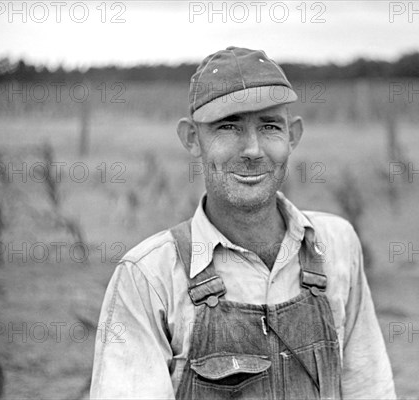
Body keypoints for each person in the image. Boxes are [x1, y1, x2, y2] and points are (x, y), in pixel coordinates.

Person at [90, 46, 396, 399]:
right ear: (192, 138)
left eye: (269, 126)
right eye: (228, 126)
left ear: (292, 135)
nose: (252, 149)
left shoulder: (336, 243)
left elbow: (369, 387)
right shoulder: (150, 276)